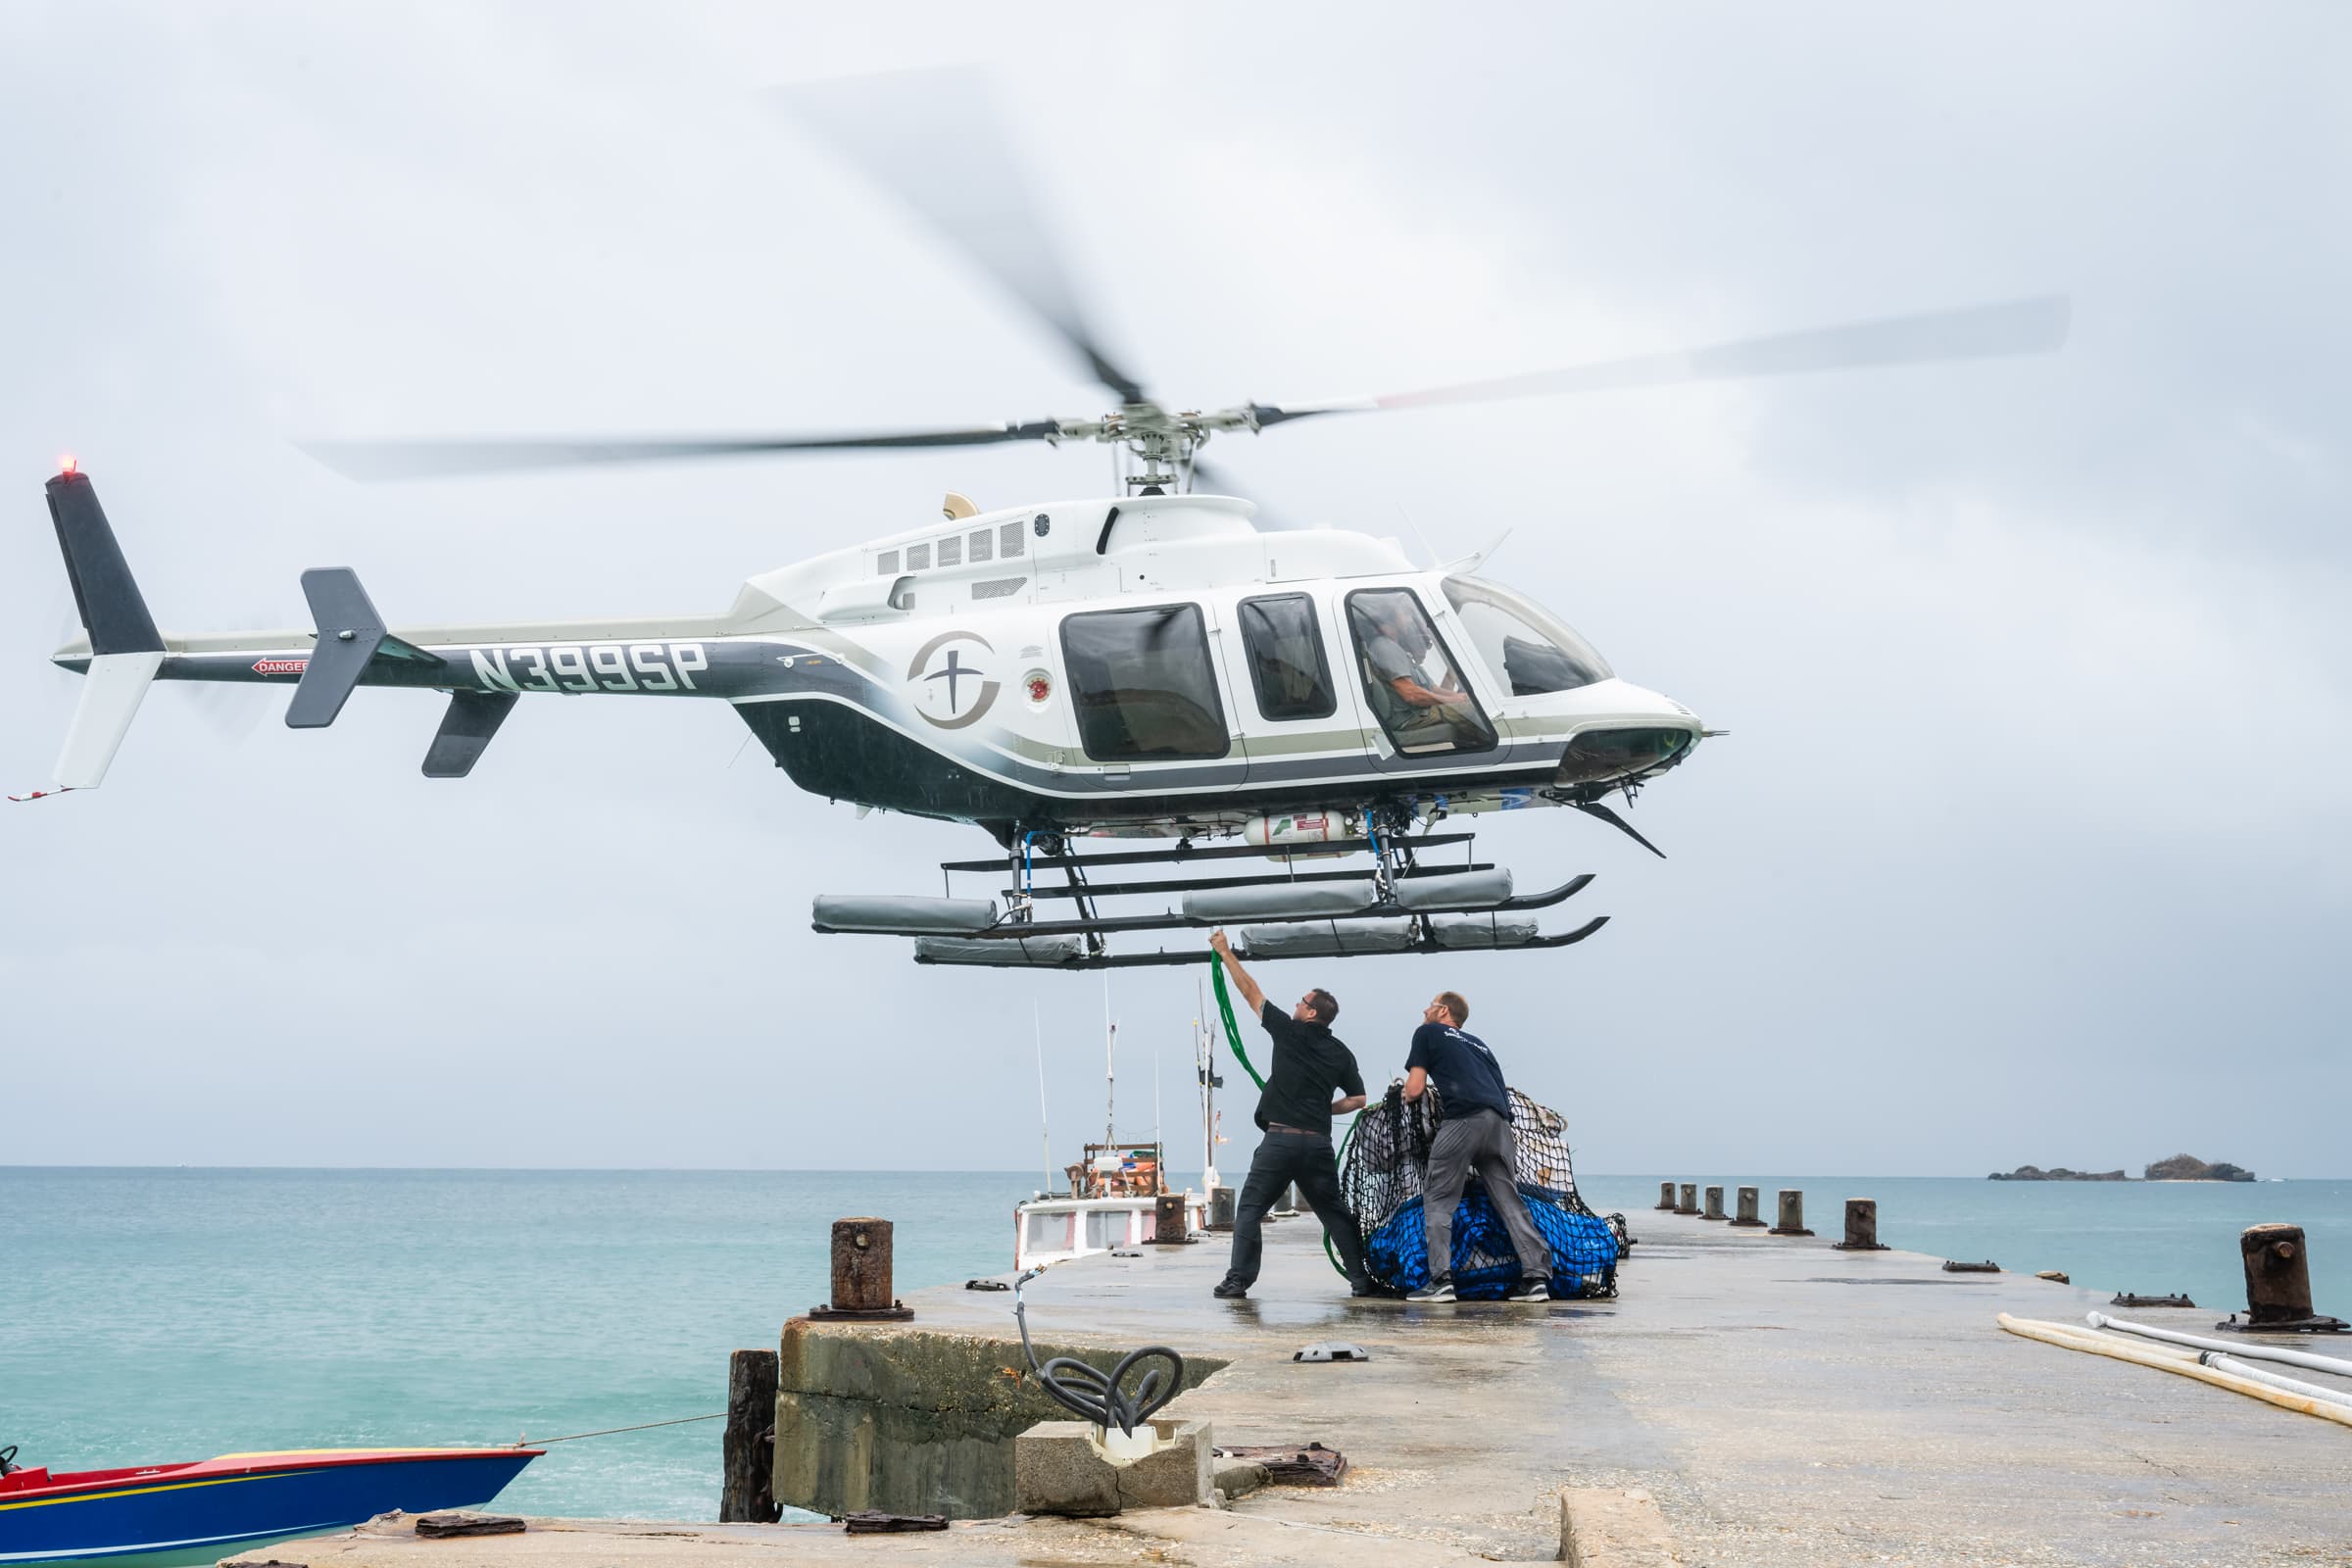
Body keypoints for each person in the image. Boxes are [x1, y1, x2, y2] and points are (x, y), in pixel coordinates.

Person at [1206, 929, 1376, 1299]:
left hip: (1280, 1141)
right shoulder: (1341, 1052)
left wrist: (1224, 953)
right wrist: (1323, 1109)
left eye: (1301, 1002)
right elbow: (1359, 1099)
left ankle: (1238, 1280)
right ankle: (1361, 1280)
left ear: (1311, 1012)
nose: (1296, 1005)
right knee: (1333, 1213)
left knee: (1250, 1209)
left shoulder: (1290, 1031)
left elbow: (1251, 992)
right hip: (1317, 1145)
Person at [1402, 991, 1552, 1302]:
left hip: (1463, 1119)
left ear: (1442, 1011)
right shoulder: (1480, 1045)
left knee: (1439, 1198)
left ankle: (1441, 1281)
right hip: (1498, 1124)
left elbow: (1415, 1089)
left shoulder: (1427, 1032)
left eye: (1429, 1005)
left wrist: (1404, 1095)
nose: (1424, 1010)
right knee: (1509, 1201)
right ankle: (1536, 1279)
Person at [1358, 596, 1484, 750]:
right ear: (1390, 619)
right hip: (1411, 718)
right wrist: (1453, 701)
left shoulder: (1399, 651)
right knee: (1477, 711)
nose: (1410, 620)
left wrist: (1460, 697)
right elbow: (1410, 694)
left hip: (1420, 712)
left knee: (1473, 702)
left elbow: (1432, 689)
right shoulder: (1385, 648)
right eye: (1405, 615)